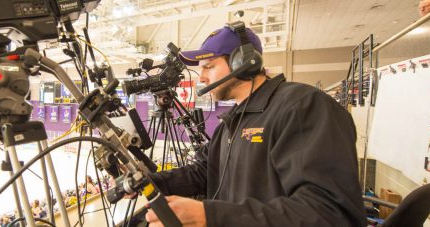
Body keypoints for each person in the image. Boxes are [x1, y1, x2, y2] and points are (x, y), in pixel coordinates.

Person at [144, 25, 364, 226]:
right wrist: (151, 182)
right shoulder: (232, 121)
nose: (201, 77)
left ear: (245, 62)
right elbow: (204, 171)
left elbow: (329, 212)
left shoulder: (302, 106)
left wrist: (211, 215)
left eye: (209, 67)